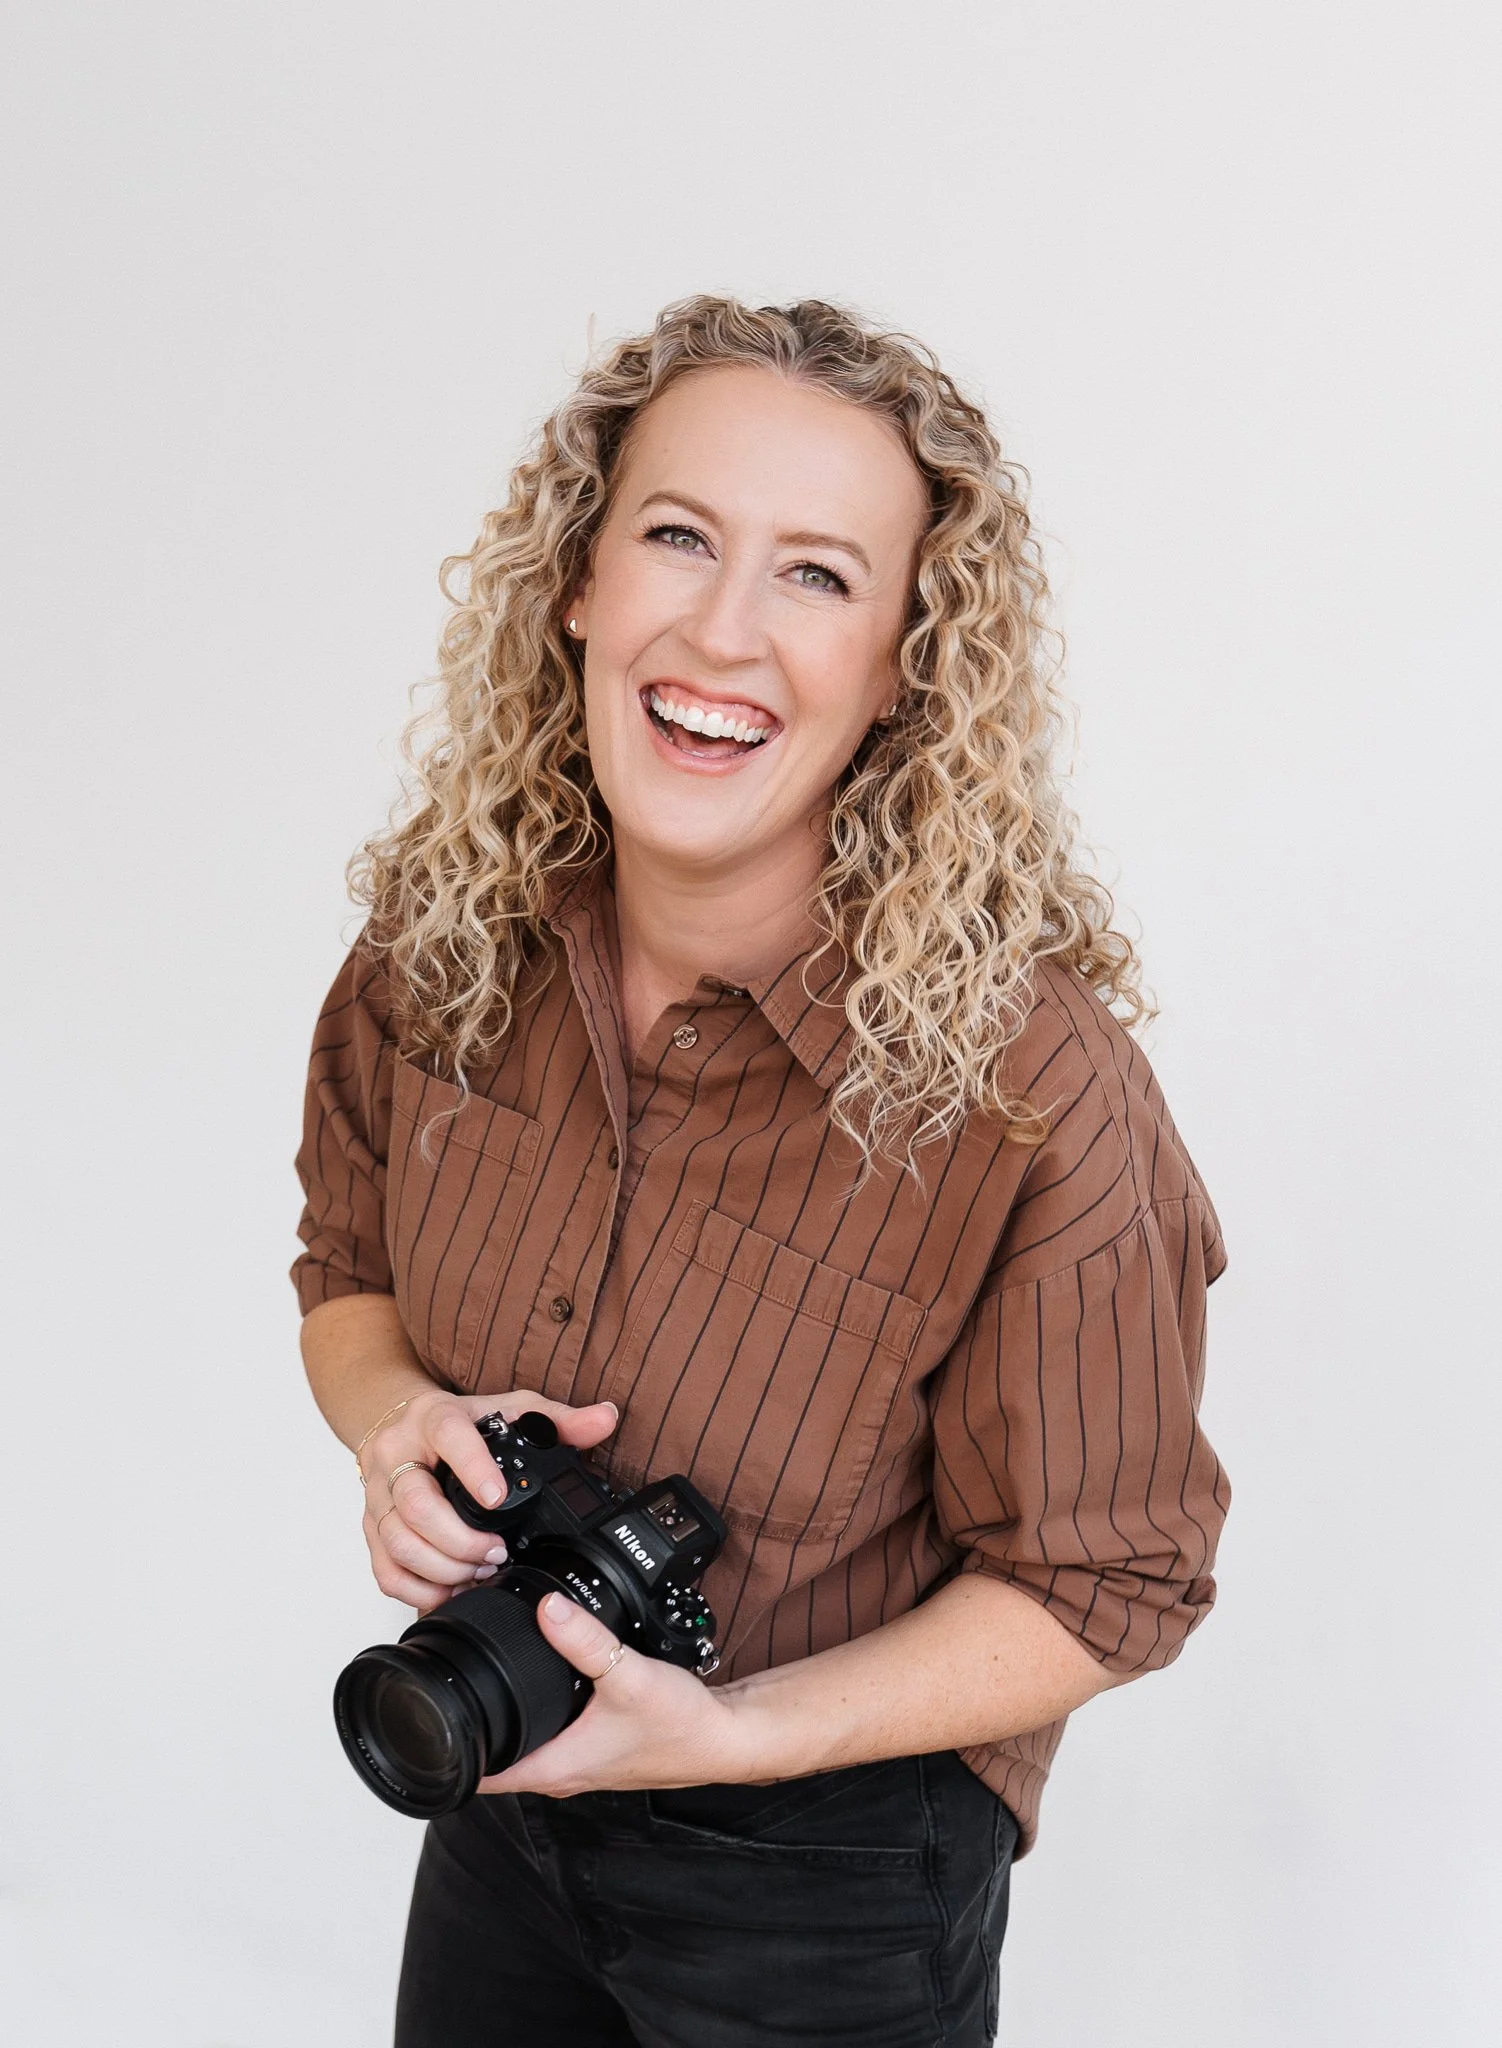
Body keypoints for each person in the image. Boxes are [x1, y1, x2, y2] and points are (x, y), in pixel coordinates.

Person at [293, 294, 1230, 2047]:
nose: (721, 631)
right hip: (494, 1775)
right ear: (576, 580)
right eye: (676, 537)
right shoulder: (439, 951)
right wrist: (392, 1422)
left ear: (904, 665)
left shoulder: (1034, 1097)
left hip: (829, 1878)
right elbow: (341, 1267)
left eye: (816, 575)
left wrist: (732, 1734)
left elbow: (1110, 1585)